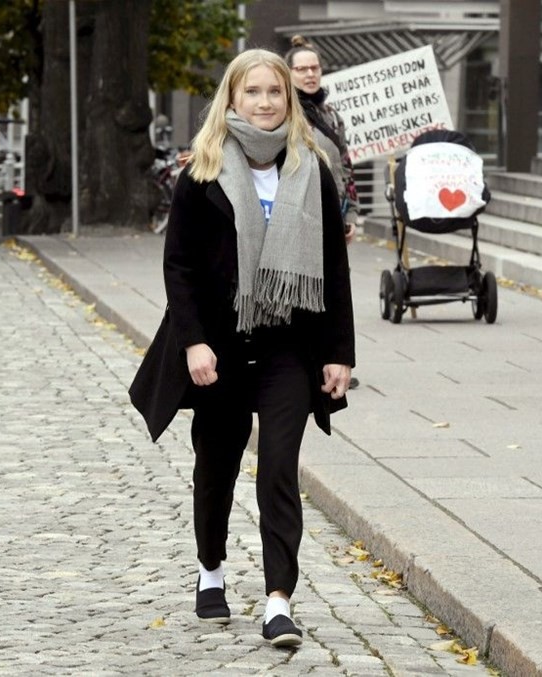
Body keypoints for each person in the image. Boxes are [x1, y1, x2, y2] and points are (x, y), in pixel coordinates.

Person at [128, 49, 355, 649]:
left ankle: (279, 601)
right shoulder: (202, 172)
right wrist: (194, 344)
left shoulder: (312, 169)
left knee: (279, 469)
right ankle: (211, 572)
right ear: (231, 99)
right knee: (217, 468)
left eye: (274, 92)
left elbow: (334, 266)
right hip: (221, 347)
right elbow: (180, 269)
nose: (264, 101)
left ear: (289, 99)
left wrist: (340, 353)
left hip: (288, 345)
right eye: (252, 91)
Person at [285, 35, 362, 390]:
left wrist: (352, 213)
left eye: (314, 68)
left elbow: (345, 165)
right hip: (300, 211)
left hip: (334, 211)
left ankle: (334, 356)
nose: (309, 74)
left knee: (333, 284)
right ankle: (310, 359)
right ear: (289, 73)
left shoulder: (331, 114)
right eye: (301, 69)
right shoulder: (285, 112)